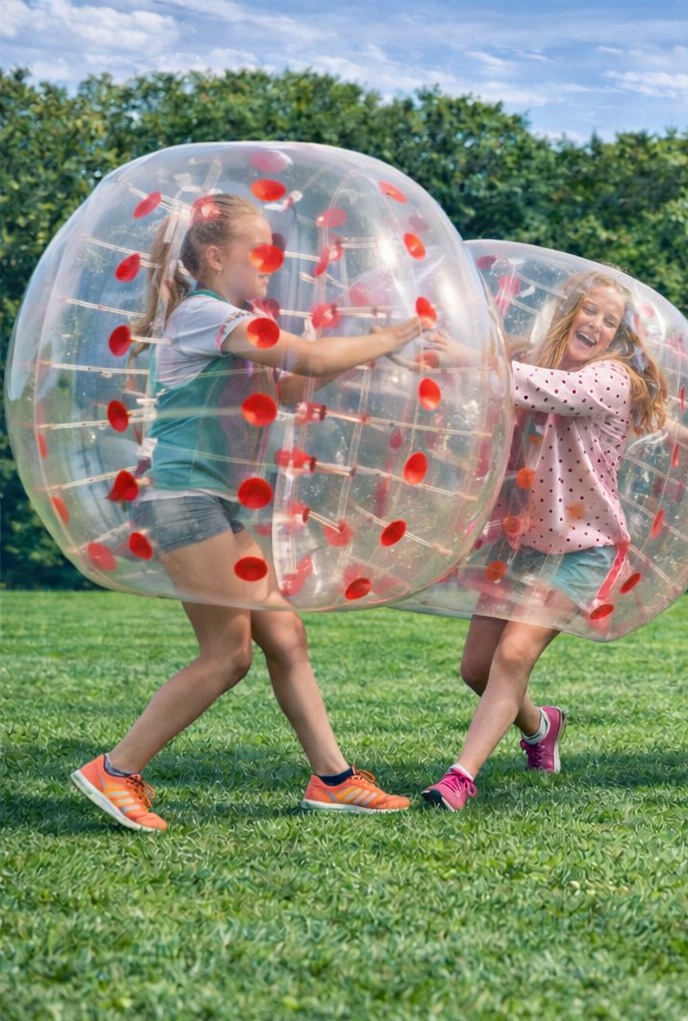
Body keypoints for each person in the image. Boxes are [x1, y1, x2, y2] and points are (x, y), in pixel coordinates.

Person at [70, 192, 424, 831]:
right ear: (213, 255)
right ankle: (115, 770)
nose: (271, 263)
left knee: (285, 636)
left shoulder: (231, 318)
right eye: (258, 250)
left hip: (217, 503)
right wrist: (386, 336)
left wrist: (366, 358)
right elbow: (308, 358)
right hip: (185, 500)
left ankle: (333, 779)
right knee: (228, 655)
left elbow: (291, 385)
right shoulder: (203, 314)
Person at [422, 270, 668, 811]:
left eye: (611, 321)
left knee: (513, 656)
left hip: (583, 547)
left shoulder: (609, 379)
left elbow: (535, 387)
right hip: (520, 543)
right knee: (478, 670)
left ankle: (460, 778)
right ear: (570, 312)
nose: (597, 325)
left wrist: (469, 356)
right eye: (590, 311)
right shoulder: (535, 361)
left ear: (619, 336)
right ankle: (540, 727)